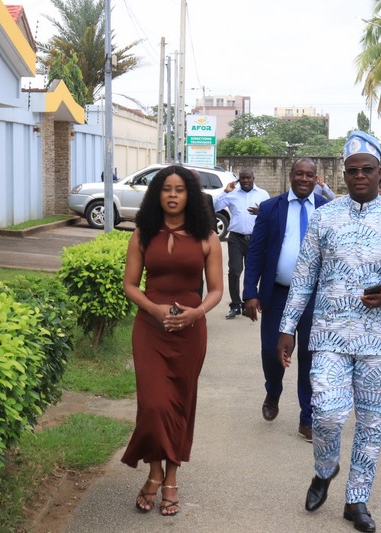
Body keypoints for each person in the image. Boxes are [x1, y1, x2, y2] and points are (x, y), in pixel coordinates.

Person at [277, 131, 381, 532]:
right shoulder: (325, 216)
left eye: (367, 169)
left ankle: (356, 500)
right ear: (343, 174)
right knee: (326, 413)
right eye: (353, 170)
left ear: (380, 172)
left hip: (379, 338)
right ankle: (325, 468)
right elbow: (304, 277)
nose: (360, 175)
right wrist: (287, 327)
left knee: (371, 424)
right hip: (330, 334)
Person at [121, 165, 224, 516]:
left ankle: (171, 478)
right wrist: (154, 309)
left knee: (180, 403)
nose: (173, 195)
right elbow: (130, 285)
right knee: (153, 404)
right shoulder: (142, 235)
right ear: (157, 194)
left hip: (190, 332)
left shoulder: (207, 238)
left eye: (180, 189)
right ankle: (154, 471)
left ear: (190, 195)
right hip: (149, 330)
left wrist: (197, 313)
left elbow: (216, 290)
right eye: (167, 189)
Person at [243, 158, 328, 442]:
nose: (304, 178)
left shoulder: (327, 209)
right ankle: (273, 390)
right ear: (290, 176)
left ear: (316, 179)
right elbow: (255, 252)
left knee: (310, 356)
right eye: (299, 174)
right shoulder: (271, 208)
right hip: (279, 294)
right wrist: (250, 292)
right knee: (272, 351)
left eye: (309, 175)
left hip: (315, 297)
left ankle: (308, 418)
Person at [214, 168, 269, 318]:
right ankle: (235, 305)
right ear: (238, 179)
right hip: (236, 238)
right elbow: (214, 206)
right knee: (234, 270)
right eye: (242, 178)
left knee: (252, 271)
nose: (245, 181)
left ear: (253, 178)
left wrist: (261, 212)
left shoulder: (263, 194)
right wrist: (225, 192)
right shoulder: (232, 193)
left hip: (255, 239)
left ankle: (248, 303)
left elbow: (271, 215)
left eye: (248, 178)